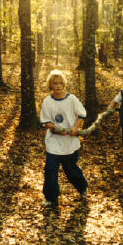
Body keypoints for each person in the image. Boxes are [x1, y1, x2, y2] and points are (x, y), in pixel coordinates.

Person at [40, 70, 88, 208]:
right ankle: (51, 198)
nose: (58, 86)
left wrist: (75, 127)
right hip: (54, 142)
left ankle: (82, 188)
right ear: (51, 85)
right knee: (50, 170)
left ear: (64, 84)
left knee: (71, 169)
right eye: (55, 83)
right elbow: (46, 121)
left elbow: (82, 115)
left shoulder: (72, 99)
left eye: (61, 83)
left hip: (70, 143)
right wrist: (56, 129)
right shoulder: (47, 101)